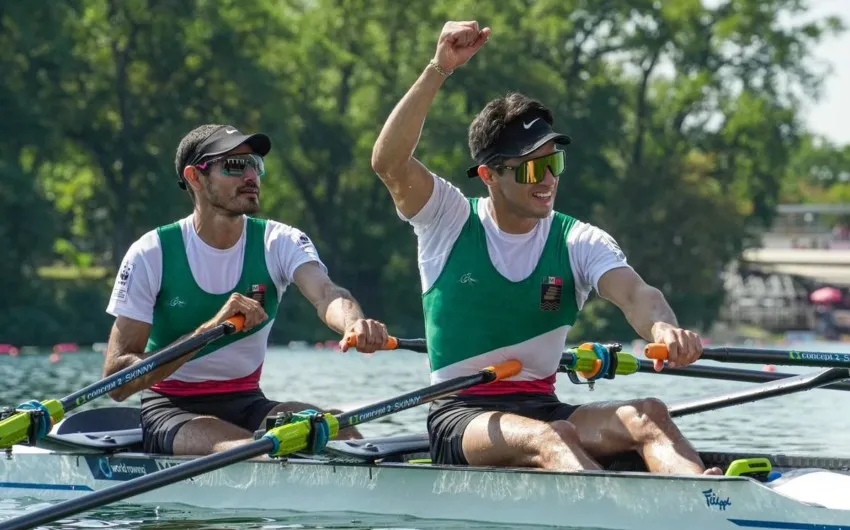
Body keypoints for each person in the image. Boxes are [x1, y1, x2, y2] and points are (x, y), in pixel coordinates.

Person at [370, 21, 721, 475]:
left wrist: (664, 330)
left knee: (648, 414)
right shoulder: (447, 219)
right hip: (461, 415)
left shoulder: (577, 239)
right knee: (554, 437)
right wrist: (440, 68)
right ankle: (612, 515)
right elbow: (388, 162)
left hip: (544, 407)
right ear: (489, 175)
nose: (550, 181)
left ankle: (704, 502)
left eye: (554, 164)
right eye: (534, 170)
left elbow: (636, 295)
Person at [103, 124, 389, 456]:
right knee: (252, 449)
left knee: (342, 433)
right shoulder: (153, 252)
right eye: (236, 166)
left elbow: (327, 293)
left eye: (256, 165)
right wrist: (211, 330)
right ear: (195, 177)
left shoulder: (278, 241)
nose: (252, 175)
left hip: (247, 402)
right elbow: (117, 379)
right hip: (171, 408)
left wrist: (354, 324)